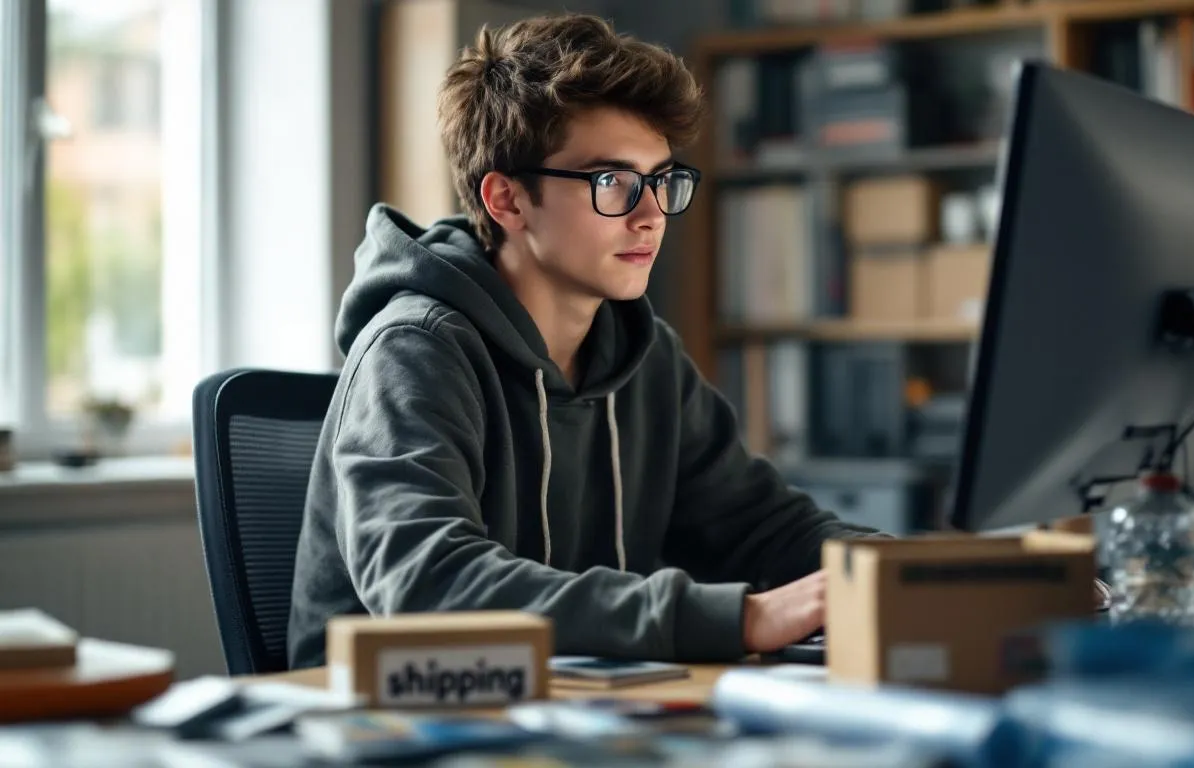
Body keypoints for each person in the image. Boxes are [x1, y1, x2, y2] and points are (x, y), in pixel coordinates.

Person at [286, 12, 883, 671]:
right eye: (614, 182)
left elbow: (766, 529)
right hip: (386, 720)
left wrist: (906, 574)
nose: (651, 213)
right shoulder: (415, 350)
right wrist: (743, 617)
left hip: (574, 709)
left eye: (660, 180)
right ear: (507, 200)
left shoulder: (646, 357)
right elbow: (428, 582)